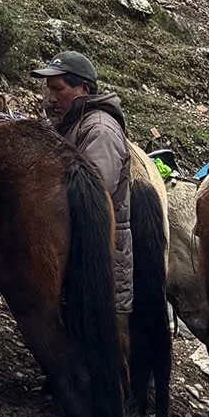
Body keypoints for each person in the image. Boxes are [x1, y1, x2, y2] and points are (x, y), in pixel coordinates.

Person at [31, 48, 133, 315]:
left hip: (96, 267)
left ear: (83, 89)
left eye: (58, 90)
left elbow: (92, 198)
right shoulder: (71, 124)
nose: (50, 99)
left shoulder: (100, 130)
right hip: (79, 261)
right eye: (48, 90)